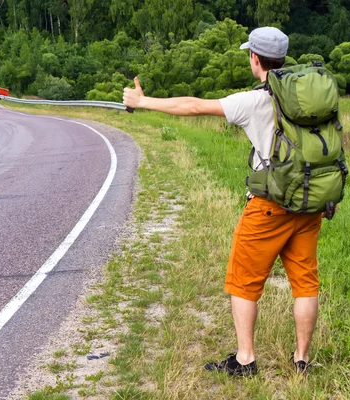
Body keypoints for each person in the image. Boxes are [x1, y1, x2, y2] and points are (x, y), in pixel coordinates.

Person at [123, 27, 327, 376]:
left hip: (269, 205)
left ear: (255, 59)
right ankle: (302, 360)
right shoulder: (310, 96)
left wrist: (142, 102)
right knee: (305, 281)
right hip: (309, 202)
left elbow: (193, 106)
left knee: (244, 282)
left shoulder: (255, 100)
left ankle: (245, 359)